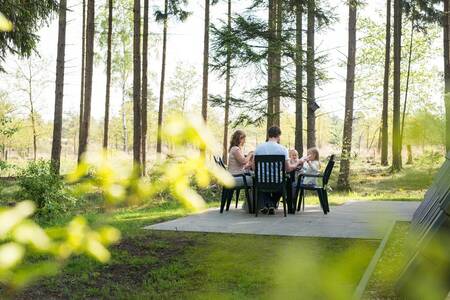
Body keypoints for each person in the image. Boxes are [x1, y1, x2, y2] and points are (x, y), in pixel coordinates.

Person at [254, 126, 305, 215]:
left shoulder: (258, 148)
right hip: (277, 181)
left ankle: (268, 205)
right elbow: (288, 169)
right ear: (278, 136)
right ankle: (272, 204)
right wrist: (298, 162)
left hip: (261, 181)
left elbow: (254, 168)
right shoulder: (282, 149)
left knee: (260, 184)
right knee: (285, 183)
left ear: (268, 135)